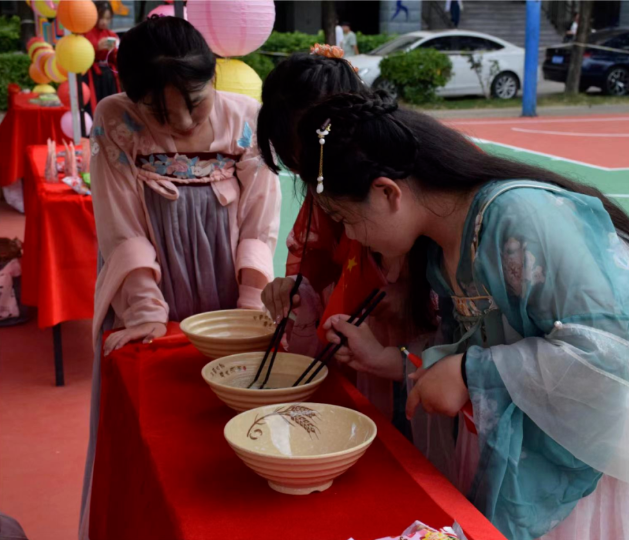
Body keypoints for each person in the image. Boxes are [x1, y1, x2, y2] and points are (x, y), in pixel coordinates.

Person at [288, 90, 629, 540]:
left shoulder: (517, 215)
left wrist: (470, 371)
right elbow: (480, 338)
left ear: (388, 192)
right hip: (562, 396)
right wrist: (389, 360)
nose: (350, 234)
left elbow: (604, 358)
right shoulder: (444, 244)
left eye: (345, 218)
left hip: (605, 411)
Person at [79, 17, 280, 539]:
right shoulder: (114, 119)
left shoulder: (247, 118)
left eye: (196, 102)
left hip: (229, 281)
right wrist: (146, 312)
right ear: (132, 96)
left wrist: (251, 299)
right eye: (160, 113)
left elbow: (260, 220)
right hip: (150, 283)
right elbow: (121, 227)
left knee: (234, 406)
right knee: (164, 422)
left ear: (214, 78)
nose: (184, 123)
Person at [256, 50, 435, 428]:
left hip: (422, 349)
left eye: (305, 157)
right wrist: (298, 290)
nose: (309, 178)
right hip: (363, 345)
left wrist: (404, 301)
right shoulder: (325, 179)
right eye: (296, 165)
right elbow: (317, 262)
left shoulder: (408, 180)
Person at [83, 1, 121, 113]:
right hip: (92, 75)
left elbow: (116, 60)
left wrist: (114, 51)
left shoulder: (111, 35)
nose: (104, 22)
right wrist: (96, 47)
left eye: (108, 18)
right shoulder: (86, 33)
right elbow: (82, 56)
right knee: (95, 106)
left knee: (111, 106)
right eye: (101, 18)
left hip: (109, 76)